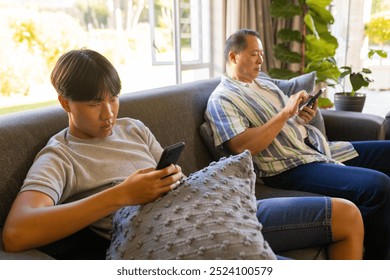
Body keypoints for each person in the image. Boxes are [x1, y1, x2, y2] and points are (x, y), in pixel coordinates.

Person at [2, 49, 363, 260]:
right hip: (164, 233)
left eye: (112, 98)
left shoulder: (133, 127)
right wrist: (122, 195)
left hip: (204, 206)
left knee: (347, 215)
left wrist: (173, 176)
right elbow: (16, 233)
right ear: (65, 102)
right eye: (95, 103)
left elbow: (173, 177)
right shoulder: (60, 156)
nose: (108, 112)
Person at [205, 28, 390, 259]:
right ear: (233, 56)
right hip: (288, 165)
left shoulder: (265, 85)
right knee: (378, 185)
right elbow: (242, 147)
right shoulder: (222, 98)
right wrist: (285, 113)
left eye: (261, 53)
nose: (261, 59)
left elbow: (288, 118)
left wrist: (301, 115)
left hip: (317, 149)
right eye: (254, 54)